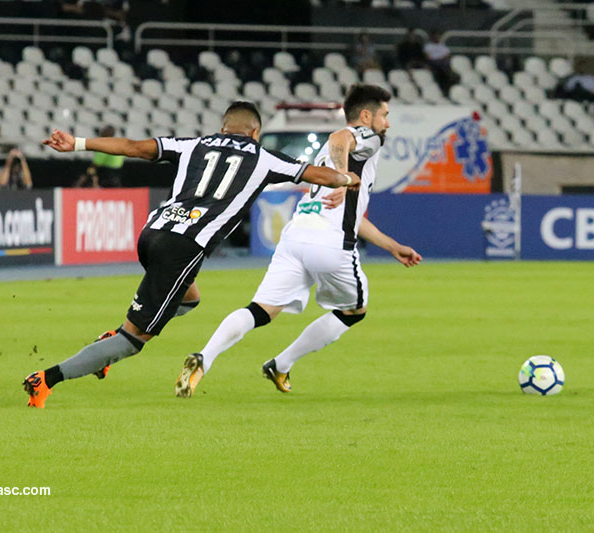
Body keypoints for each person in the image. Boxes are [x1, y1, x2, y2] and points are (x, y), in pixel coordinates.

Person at [23, 101, 361, 407]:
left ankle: (109, 342)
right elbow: (321, 175)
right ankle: (47, 379)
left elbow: (131, 147)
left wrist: (77, 143)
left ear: (223, 126)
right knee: (134, 339)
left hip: (152, 233)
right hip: (182, 248)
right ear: (256, 132)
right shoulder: (263, 157)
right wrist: (349, 179)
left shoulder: (192, 145)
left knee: (189, 299)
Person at [176, 85, 422, 398]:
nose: (387, 123)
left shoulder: (331, 156)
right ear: (365, 116)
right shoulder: (365, 136)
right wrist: (345, 178)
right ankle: (282, 363)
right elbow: (339, 137)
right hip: (331, 244)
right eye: (385, 115)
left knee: (261, 310)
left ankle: (204, 358)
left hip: (296, 236)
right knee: (353, 312)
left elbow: (351, 213)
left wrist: (391, 245)